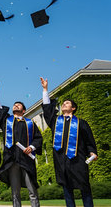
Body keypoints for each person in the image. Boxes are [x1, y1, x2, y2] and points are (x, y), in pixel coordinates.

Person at [40, 77, 97, 207]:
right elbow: (48, 111)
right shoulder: (56, 121)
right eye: (63, 103)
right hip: (61, 160)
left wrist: (92, 152)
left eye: (67, 103)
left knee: (84, 187)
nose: (64, 104)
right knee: (67, 189)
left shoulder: (81, 123)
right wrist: (45, 90)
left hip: (78, 159)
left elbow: (89, 140)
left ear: (73, 108)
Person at [0, 79, 42, 207]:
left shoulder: (30, 123)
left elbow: (38, 138)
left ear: (24, 110)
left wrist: (31, 147)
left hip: (26, 160)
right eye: (14, 105)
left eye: (19, 105)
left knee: (32, 190)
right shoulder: (6, 121)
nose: (16, 106)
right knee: (15, 191)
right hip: (12, 160)